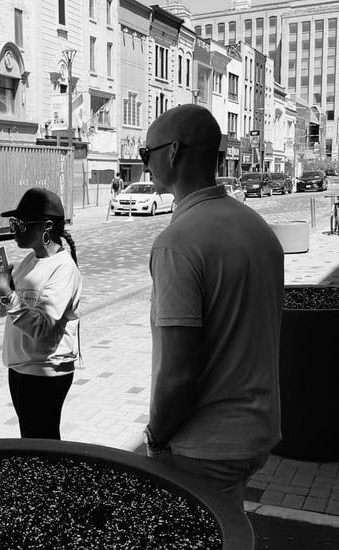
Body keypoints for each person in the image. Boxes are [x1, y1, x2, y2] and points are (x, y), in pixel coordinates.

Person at [140, 104, 284, 509]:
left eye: (146, 153)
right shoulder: (257, 228)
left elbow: (179, 373)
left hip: (206, 443)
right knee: (232, 521)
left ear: (172, 152)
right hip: (258, 429)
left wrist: (155, 437)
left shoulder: (178, 243)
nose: (145, 164)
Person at [0, 188, 83, 439]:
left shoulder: (63, 269)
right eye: (13, 223)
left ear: (46, 227)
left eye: (20, 224)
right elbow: (1, 308)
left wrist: (7, 291)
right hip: (21, 369)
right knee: (32, 441)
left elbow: (42, 326)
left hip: (45, 372)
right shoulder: (29, 263)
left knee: (41, 443)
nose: (14, 230)